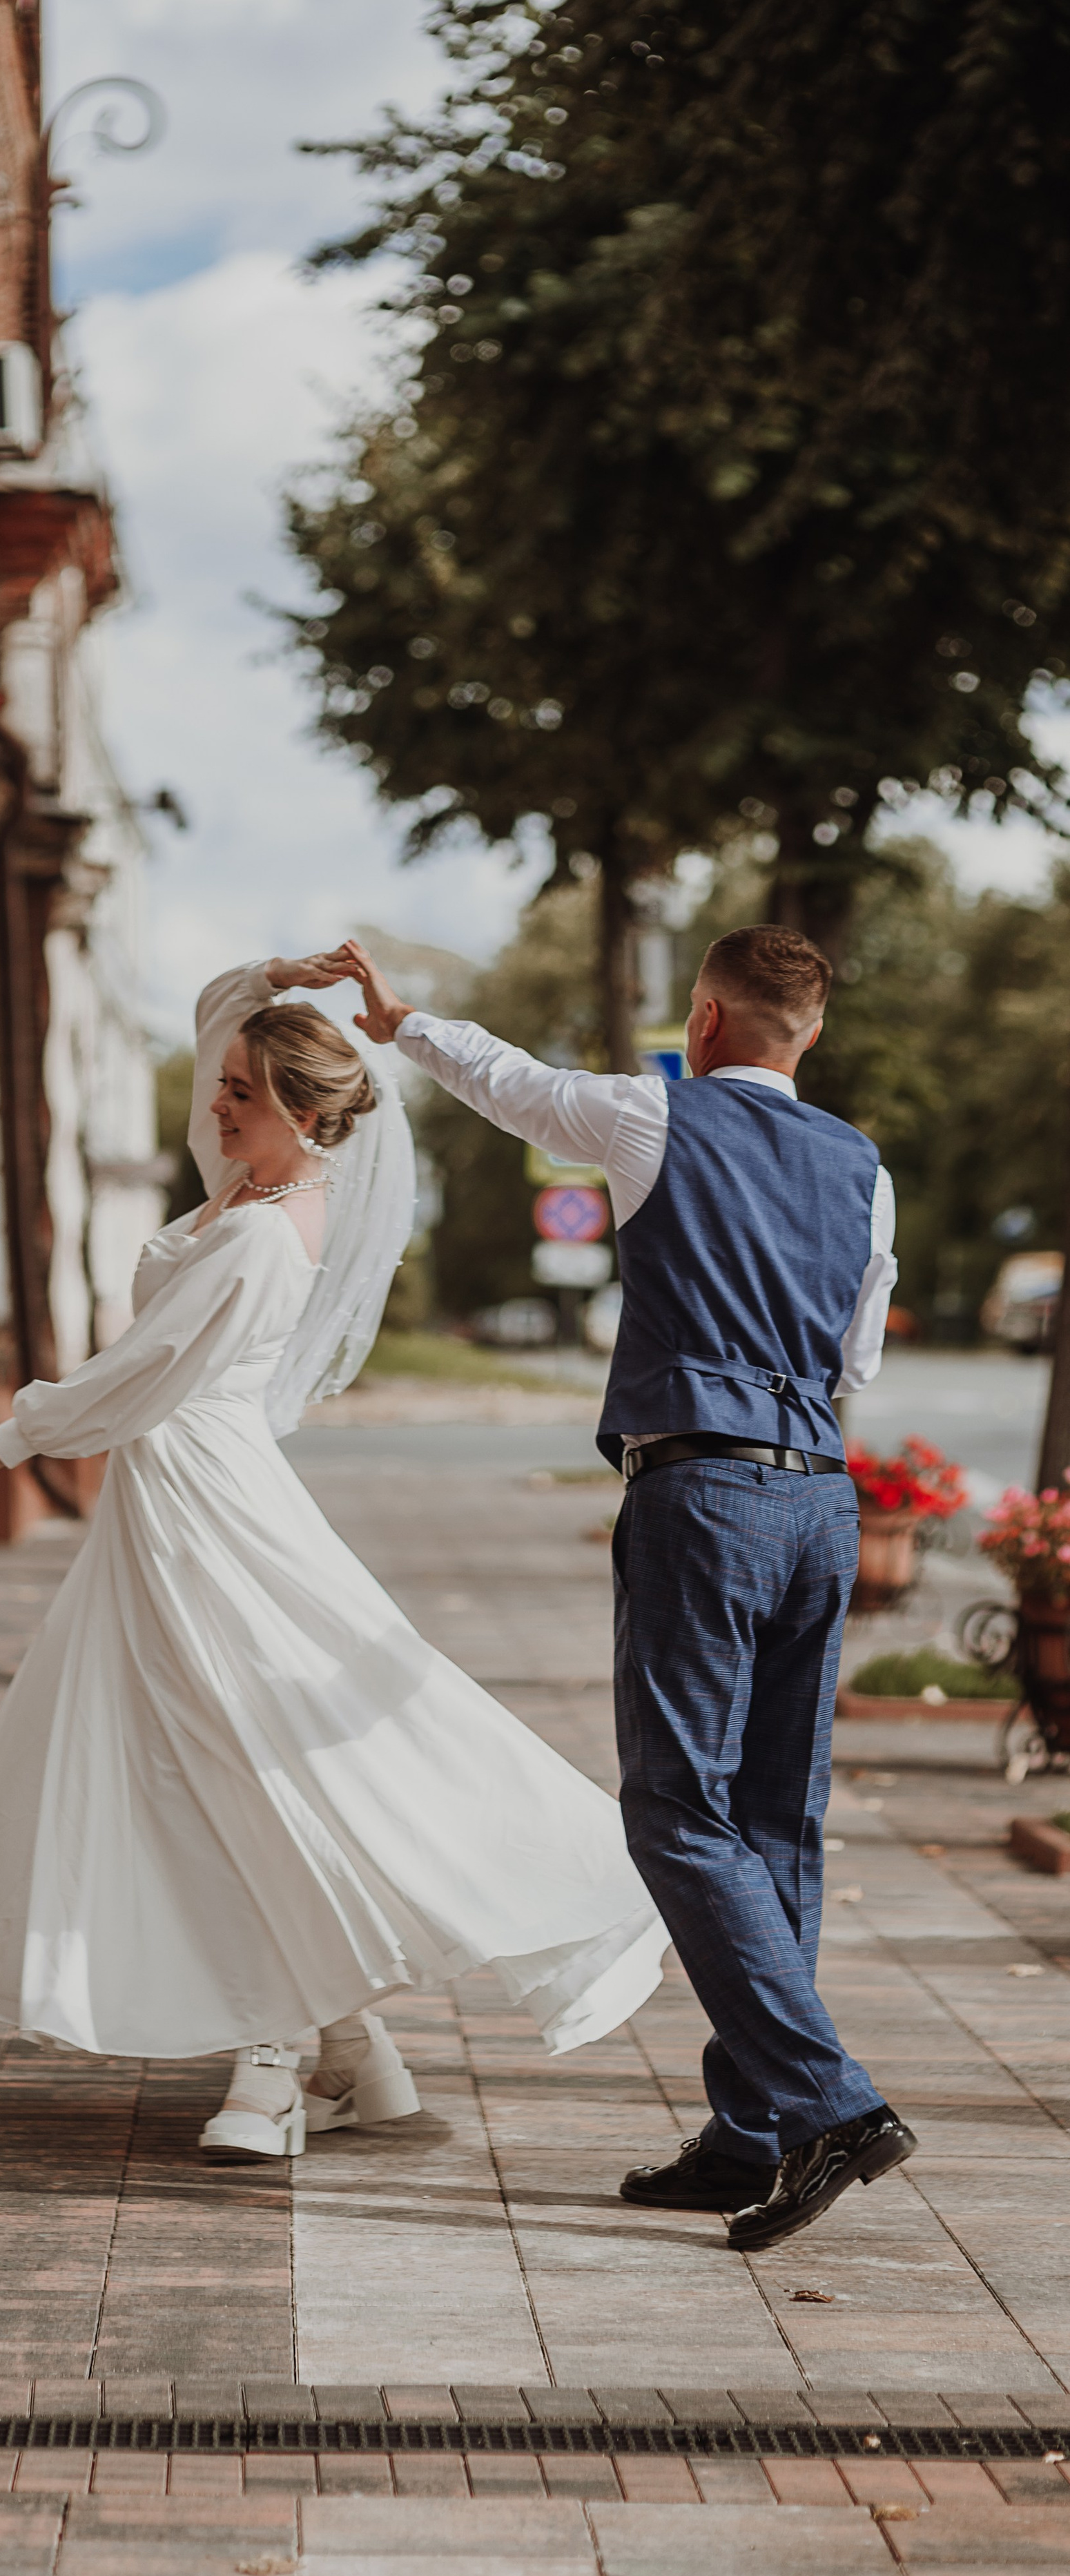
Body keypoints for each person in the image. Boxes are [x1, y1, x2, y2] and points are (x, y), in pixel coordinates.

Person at [0, 955, 666, 2161]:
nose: (217, 1107)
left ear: (308, 1114)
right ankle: (355, 2056)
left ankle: (270, 2059)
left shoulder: (266, 1236)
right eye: (221, 1088)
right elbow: (220, 1017)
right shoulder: (243, 1185)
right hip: (165, 1507)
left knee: (243, 1757)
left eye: (244, 1095)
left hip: (212, 1508)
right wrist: (274, 979)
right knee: (192, 1750)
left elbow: (145, 1376)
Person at [345, 925, 917, 2250]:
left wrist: (401, 1020)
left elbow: (512, 1084)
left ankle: (829, 2104)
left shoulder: (653, 1116)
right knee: (779, 1817)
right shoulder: (865, 1168)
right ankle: (754, 2134)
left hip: (702, 1489)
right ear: (809, 1034)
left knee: (671, 1804)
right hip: (824, 1498)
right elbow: (858, 1360)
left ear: (706, 1017)